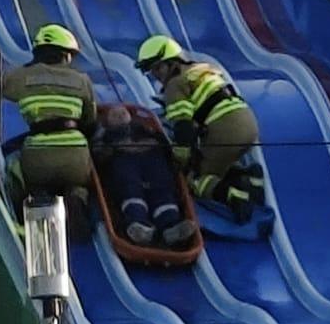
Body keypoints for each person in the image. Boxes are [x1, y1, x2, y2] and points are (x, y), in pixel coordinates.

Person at [136, 36, 261, 221]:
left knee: (196, 178)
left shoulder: (174, 85)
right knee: (216, 160)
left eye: (158, 67)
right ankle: (249, 177)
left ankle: (235, 197)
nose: (156, 74)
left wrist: (180, 157)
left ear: (173, 63)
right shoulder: (202, 71)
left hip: (226, 131)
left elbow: (183, 126)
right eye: (150, 70)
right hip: (249, 124)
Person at [2, 24, 97, 203]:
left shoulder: (21, 77)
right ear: (66, 54)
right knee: (77, 192)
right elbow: (90, 120)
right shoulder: (82, 80)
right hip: (75, 156)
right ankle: (78, 207)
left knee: (34, 190)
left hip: (38, 155)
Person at [94, 105, 197, 248]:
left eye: (122, 112)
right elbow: (99, 156)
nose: (119, 115)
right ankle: (138, 225)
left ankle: (170, 225)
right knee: (130, 189)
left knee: (162, 189)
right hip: (125, 163)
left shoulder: (146, 130)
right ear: (107, 121)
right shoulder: (106, 136)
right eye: (114, 114)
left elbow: (165, 146)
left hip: (152, 160)